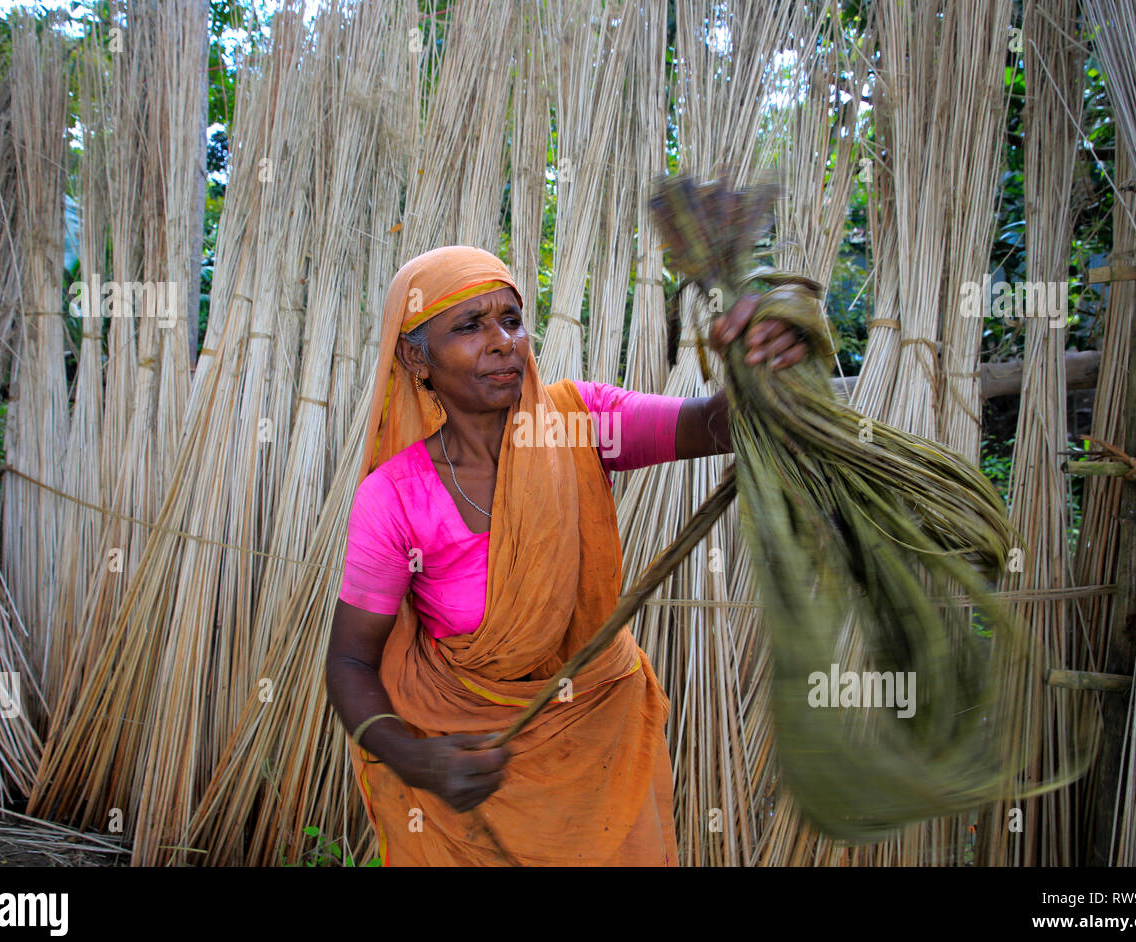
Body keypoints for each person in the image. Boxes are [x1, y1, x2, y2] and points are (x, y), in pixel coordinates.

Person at [325, 245, 807, 865]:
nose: (503, 342)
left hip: (599, 744)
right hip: (473, 772)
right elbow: (350, 661)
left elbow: (716, 424)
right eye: (469, 327)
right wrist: (414, 756)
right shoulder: (392, 499)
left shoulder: (579, 423)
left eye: (511, 319)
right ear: (417, 356)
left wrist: (759, 363)